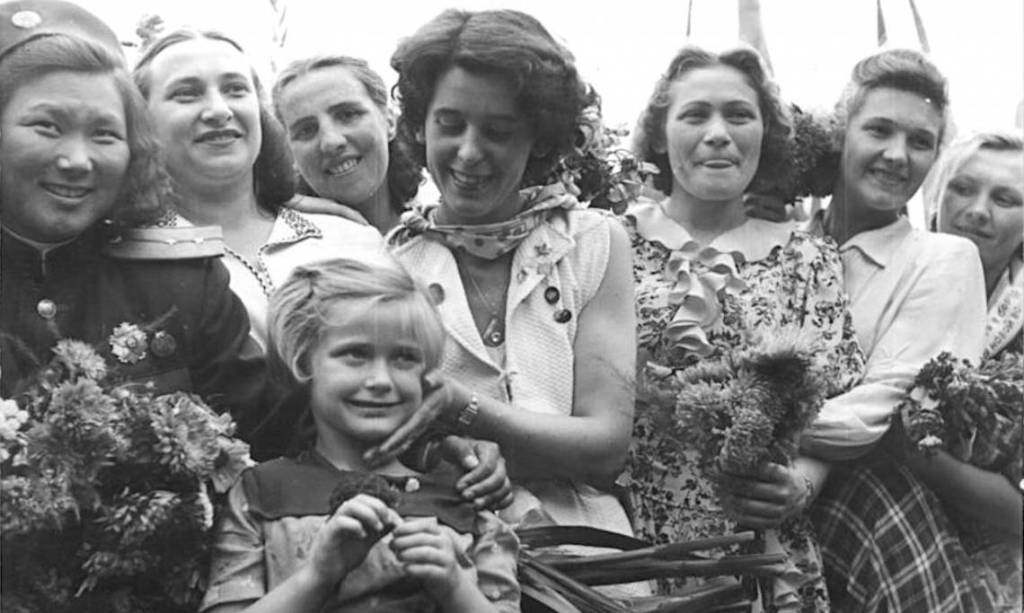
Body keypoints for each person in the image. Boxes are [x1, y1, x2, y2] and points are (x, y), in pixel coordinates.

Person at [381, 8, 638, 546]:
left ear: (539, 137)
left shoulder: (592, 242)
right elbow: (383, 432)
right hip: (439, 545)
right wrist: (445, 449)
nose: (470, 152)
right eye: (449, 125)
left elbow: (607, 445)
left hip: (586, 550)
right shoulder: (392, 263)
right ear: (420, 126)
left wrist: (468, 414)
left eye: (498, 131)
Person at [625, 44, 867, 610]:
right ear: (660, 136)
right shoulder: (608, 240)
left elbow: (834, 404)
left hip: (762, 543)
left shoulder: (810, 259)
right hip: (629, 540)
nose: (718, 133)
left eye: (738, 115)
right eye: (694, 115)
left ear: (766, 133)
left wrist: (798, 486)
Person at [0, 0, 268, 438]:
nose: (77, 160)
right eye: (47, 126)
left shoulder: (184, 281)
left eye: (104, 134)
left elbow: (268, 444)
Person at [201, 256, 520, 613]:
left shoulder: (465, 494)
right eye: (355, 354)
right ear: (304, 362)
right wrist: (318, 576)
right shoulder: (262, 492)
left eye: (404, 358)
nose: (381, 381)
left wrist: (454, 587)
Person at [796, 49, 993, 612]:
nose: (897, 155)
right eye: (878, 129)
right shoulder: (776, 239)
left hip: (873, 520)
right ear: (841, 134)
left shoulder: (943, 259)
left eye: (921, 141)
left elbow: (874, 412)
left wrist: (730, 430)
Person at [132, 30, 384, 352]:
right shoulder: (126, 264)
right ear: (142, 120)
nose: (219, 110)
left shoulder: (351, 238)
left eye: (235, 89)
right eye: (187, 94)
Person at [909, 130, 1023, 609]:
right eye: (962, 187)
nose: (978, 210)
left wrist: (906, 448)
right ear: (935, 195)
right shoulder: (882, 277)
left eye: (1005, 198)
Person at [272, 55, 422, 233]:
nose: (331, 142)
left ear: (389, 121)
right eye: (307, 130)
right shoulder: (274, 251)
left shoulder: (443, 234)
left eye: (347, 115)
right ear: (290, 152)